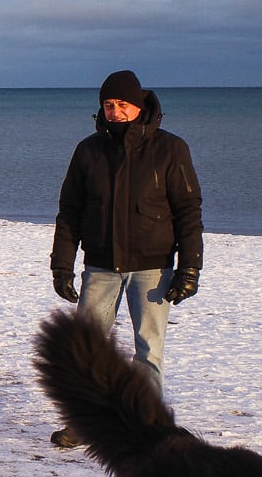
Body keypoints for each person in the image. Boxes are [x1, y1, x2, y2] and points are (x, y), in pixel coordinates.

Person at [48, 69, 203, 446]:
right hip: (100, 266)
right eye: (108, 104)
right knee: (88, 352)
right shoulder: (88, 150)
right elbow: (69, 210)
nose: (115, 111)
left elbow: (188, 209)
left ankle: (147, 426)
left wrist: (190, 267)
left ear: (139, 105)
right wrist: (61, 265)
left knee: (148, 351)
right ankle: (86, 422)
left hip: (153, 268)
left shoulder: (171, 148)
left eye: (122, 104)